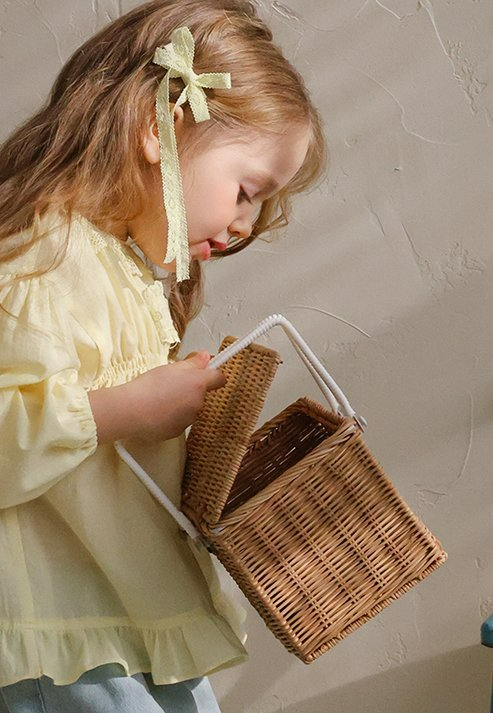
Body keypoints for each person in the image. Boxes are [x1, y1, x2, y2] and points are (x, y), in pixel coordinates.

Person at [0, 1, 326, 711]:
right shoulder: (42, 263)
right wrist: (121, 410)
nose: (244, 225)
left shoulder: (121, 271)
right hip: (64, 636)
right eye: (246, 192)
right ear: (160, 131)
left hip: (121, 615)